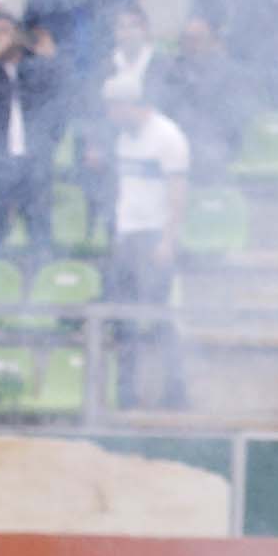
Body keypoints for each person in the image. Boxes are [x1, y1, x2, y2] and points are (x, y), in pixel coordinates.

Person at [102, 76, 189, 409]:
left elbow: (178, 194)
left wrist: (168, 239)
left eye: (114, 108)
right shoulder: (124, 138)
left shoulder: (168, 137)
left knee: (160, 317)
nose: (111, 116)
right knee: (122, 317)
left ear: (130, 106)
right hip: (128, 235)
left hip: (154, 236)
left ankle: (175, 392)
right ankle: (125, 393)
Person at [0, 12, 64, 251]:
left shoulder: (37, 66)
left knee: (40, 233)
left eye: (5, 30)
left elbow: (63, 95)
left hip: (34, 160)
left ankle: (43, 284)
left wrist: (49, 141)